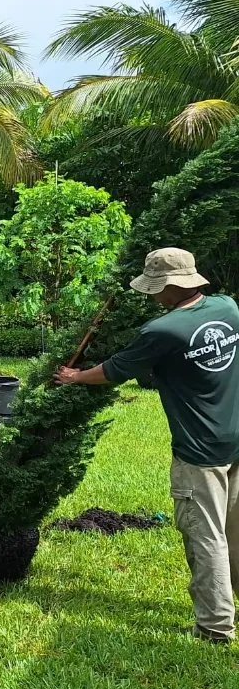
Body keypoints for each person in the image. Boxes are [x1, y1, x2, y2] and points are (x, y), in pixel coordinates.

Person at [55, 247, 239, 644]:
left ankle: (215, 626)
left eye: (155, 289)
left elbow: (115, 371)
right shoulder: (228, 308)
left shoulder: (162, 331)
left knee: (206, 537)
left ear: (171, 287)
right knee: (236, 532)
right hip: (236, 437)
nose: (151, 296)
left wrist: (74, 377)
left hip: (201, 450)